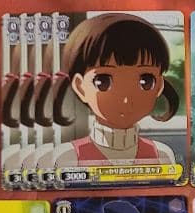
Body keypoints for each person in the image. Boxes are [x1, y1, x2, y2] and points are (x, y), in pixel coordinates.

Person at [54, 14, 179, 168]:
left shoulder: (162, 155)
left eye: (145, 81)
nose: (126, 99)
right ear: (80, 87)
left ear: (159, 85)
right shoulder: (68, 157)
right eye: (103, 81)